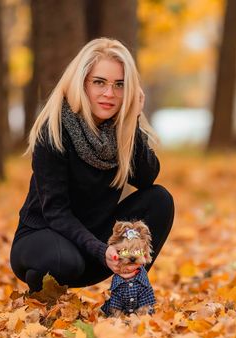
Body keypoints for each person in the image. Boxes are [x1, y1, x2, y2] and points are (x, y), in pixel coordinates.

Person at [10, 38, 174, 292]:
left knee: (160, 199)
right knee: (64, 261)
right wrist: (103, 251)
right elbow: (56, 212)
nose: (109, 94)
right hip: (44, 238)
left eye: (120, 85)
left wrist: (134, 119)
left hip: (95, 245)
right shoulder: (54, 130)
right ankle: (41, 299)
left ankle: (128, 291)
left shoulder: (118, 131)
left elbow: (145, 178)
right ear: (82, 82)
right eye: (99, 82)